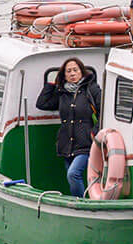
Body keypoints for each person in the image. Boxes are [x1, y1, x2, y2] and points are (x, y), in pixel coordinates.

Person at [35, 57, 101, 197]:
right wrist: (51, 84)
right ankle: (78, 202)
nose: (72, 74)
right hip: (66, 143)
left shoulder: (91, 89)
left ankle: (80, 204)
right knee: (72, 176)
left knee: (73, 174)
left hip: (86, 143)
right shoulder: (62, 93)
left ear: (82, 72)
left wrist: (94, 132)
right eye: (68, 71)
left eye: (75, 70)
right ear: (64, 75)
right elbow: (42, 104)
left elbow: (103, 111)